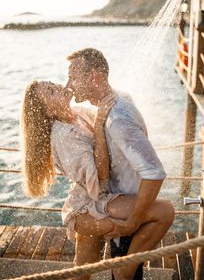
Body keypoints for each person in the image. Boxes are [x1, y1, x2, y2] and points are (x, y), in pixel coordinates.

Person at [20, 80, 173, 280]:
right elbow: (100, 175)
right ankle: (124, 270)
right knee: (164, 211)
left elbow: (110, 121)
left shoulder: (76, 113)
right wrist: (100, 124)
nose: (58, 86)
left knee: (82, 272)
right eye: (50, 91)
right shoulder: (63, 135)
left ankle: (122, 270)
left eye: (52, 83)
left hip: (97, 197)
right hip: (90, 206)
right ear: (47, 111)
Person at [66, 48, 175, 280]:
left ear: (93, 76)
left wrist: (132, 222)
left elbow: (154, 173)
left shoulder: (117, 119)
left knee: (124, 274)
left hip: (129, 215)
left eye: (73, 76)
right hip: (120, 204)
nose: (69, 84)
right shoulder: (118, 98)